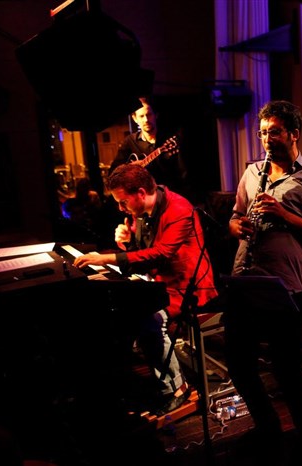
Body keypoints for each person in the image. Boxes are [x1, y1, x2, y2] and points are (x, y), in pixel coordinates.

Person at [225, 100, 302, 451]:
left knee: (287, 369)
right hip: (244, 278)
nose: (266, 139)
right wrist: (237, 227)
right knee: (239, 365)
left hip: (283, 285)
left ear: (294, 134)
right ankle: (269, 427)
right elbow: (234, 216)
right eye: (262, 133)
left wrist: (284, 215)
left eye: (273, 132)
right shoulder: (251, 173)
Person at [73, 163, 218, 416]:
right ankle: (127, 379)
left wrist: (108, 257)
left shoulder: (179, 209)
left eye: (123, 202)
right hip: (160, 281)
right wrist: (126, 242)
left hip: (189, 285)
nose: (121, 208)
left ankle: (177, 387)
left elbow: (161, 253)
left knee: (149, 318)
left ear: (141, 193)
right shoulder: (141, 212)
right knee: (121, 310)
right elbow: (143, 253)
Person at [108, 96, 191, 200]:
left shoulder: (169, 141)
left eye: (149, 115)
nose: (146, 119)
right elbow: (113, 172)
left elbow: (184, 172)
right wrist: (131, 168)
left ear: (156, 115)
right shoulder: (130, 141)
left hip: (170, 195)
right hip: (142, 198)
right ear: (135, 119)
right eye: (141, 116)